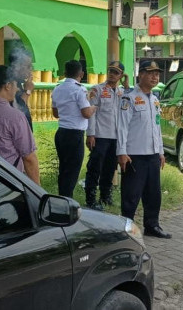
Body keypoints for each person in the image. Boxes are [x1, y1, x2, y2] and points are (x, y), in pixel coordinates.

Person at [117, 60, 171, 239]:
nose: (155, 76)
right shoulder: (129, 98)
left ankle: (152, 225)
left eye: (157, 73)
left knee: (153, 194)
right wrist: (121, 152)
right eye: (150, 73)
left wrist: (161, 152)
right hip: (134, 156)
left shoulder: (155, 100)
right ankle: (127, 228)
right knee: (131, 195)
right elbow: (122, 127)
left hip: (153, 155)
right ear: (140, 75)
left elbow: (157, 128)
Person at [85, 60, 129, 210]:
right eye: (110, 71)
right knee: (95, 167)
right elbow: (92, 113)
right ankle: (90, 199)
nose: (112, 74)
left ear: (121, 75)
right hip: (100, 135)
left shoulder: (123, 92)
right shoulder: (97, 90)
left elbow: (128, 110)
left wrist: (127, 85)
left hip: (116, 137)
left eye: (116, 72)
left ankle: (105, 196)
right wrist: (90, 134)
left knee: (110, 168)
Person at [52, 60, 96, 198]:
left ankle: (62, 197)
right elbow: (86, 113)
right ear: (81, 74)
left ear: (65, 73)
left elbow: (56, 113)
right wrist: (94, 107)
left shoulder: (57, 88)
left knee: (64, 169)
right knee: (72, 170)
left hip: (61, 133)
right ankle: (67, 200)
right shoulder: (79, 89)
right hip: (74, 134)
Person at [8, 48, 35, 129]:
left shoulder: (18, 82)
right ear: (16, 66)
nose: (31, 69)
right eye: (28, 66)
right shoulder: (10, 83)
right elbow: (19, 109)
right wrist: (28, 91)